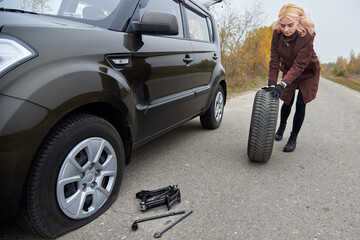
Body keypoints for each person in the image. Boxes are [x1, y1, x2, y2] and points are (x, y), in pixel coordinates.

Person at [268, 3, 320, 152]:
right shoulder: (277, 34)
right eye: (283, 25)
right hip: (290, 69)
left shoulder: (308, 36)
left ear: (299, 21)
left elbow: (300, 65)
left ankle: (293, 138)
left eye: (290, 25)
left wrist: (282, 83)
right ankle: (282, 126)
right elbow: (274, 60)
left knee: (300, 103)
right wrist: (272, 83)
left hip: (308, 72)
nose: (286, 29)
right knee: (287, 101)